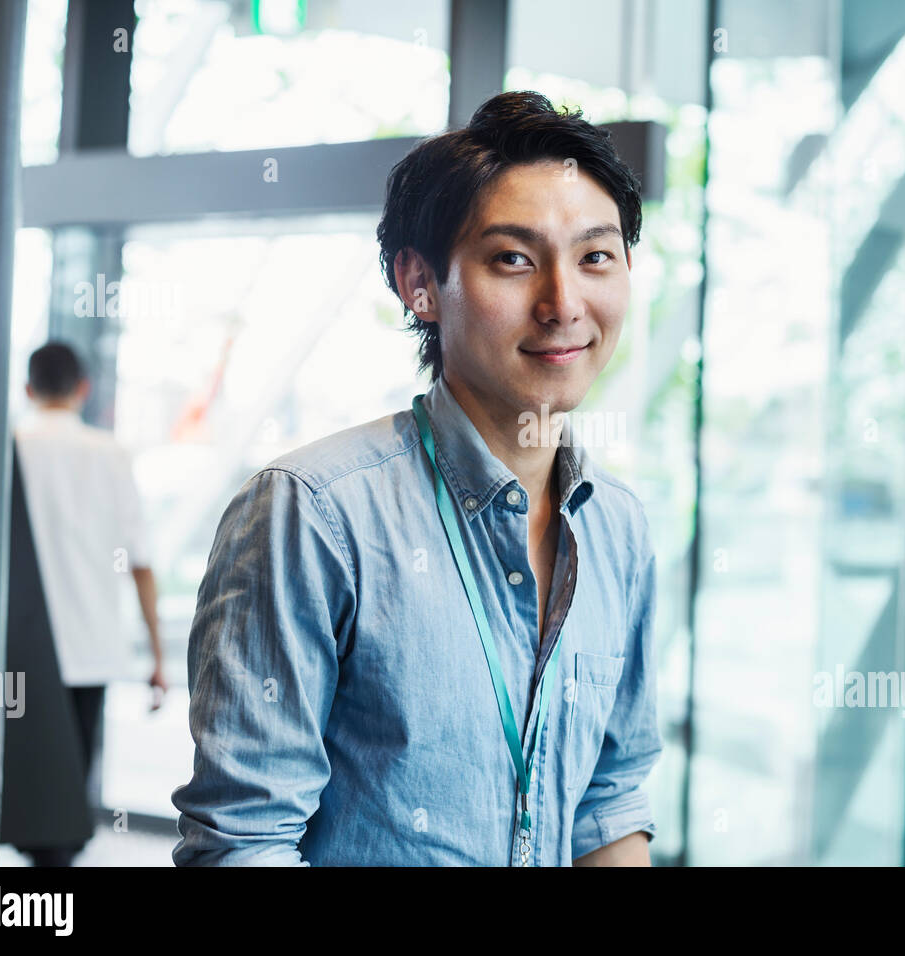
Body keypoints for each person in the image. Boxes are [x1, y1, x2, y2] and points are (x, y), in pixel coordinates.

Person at [171, 91, 663, 866]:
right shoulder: (314, 515)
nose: (563, 303)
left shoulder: (619, 528)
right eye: (513, 259)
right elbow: (244, 843)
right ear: (419, 284)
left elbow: (608, 798)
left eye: (595, 257)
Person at [13, 341, 167, 866]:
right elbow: (141, 563)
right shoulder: (111, 454)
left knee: (24, 789)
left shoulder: (8, 444)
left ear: (28, 389)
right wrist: (158, 658)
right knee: (70, 789)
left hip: (17, 650)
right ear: (83, 388)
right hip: (90, 648)